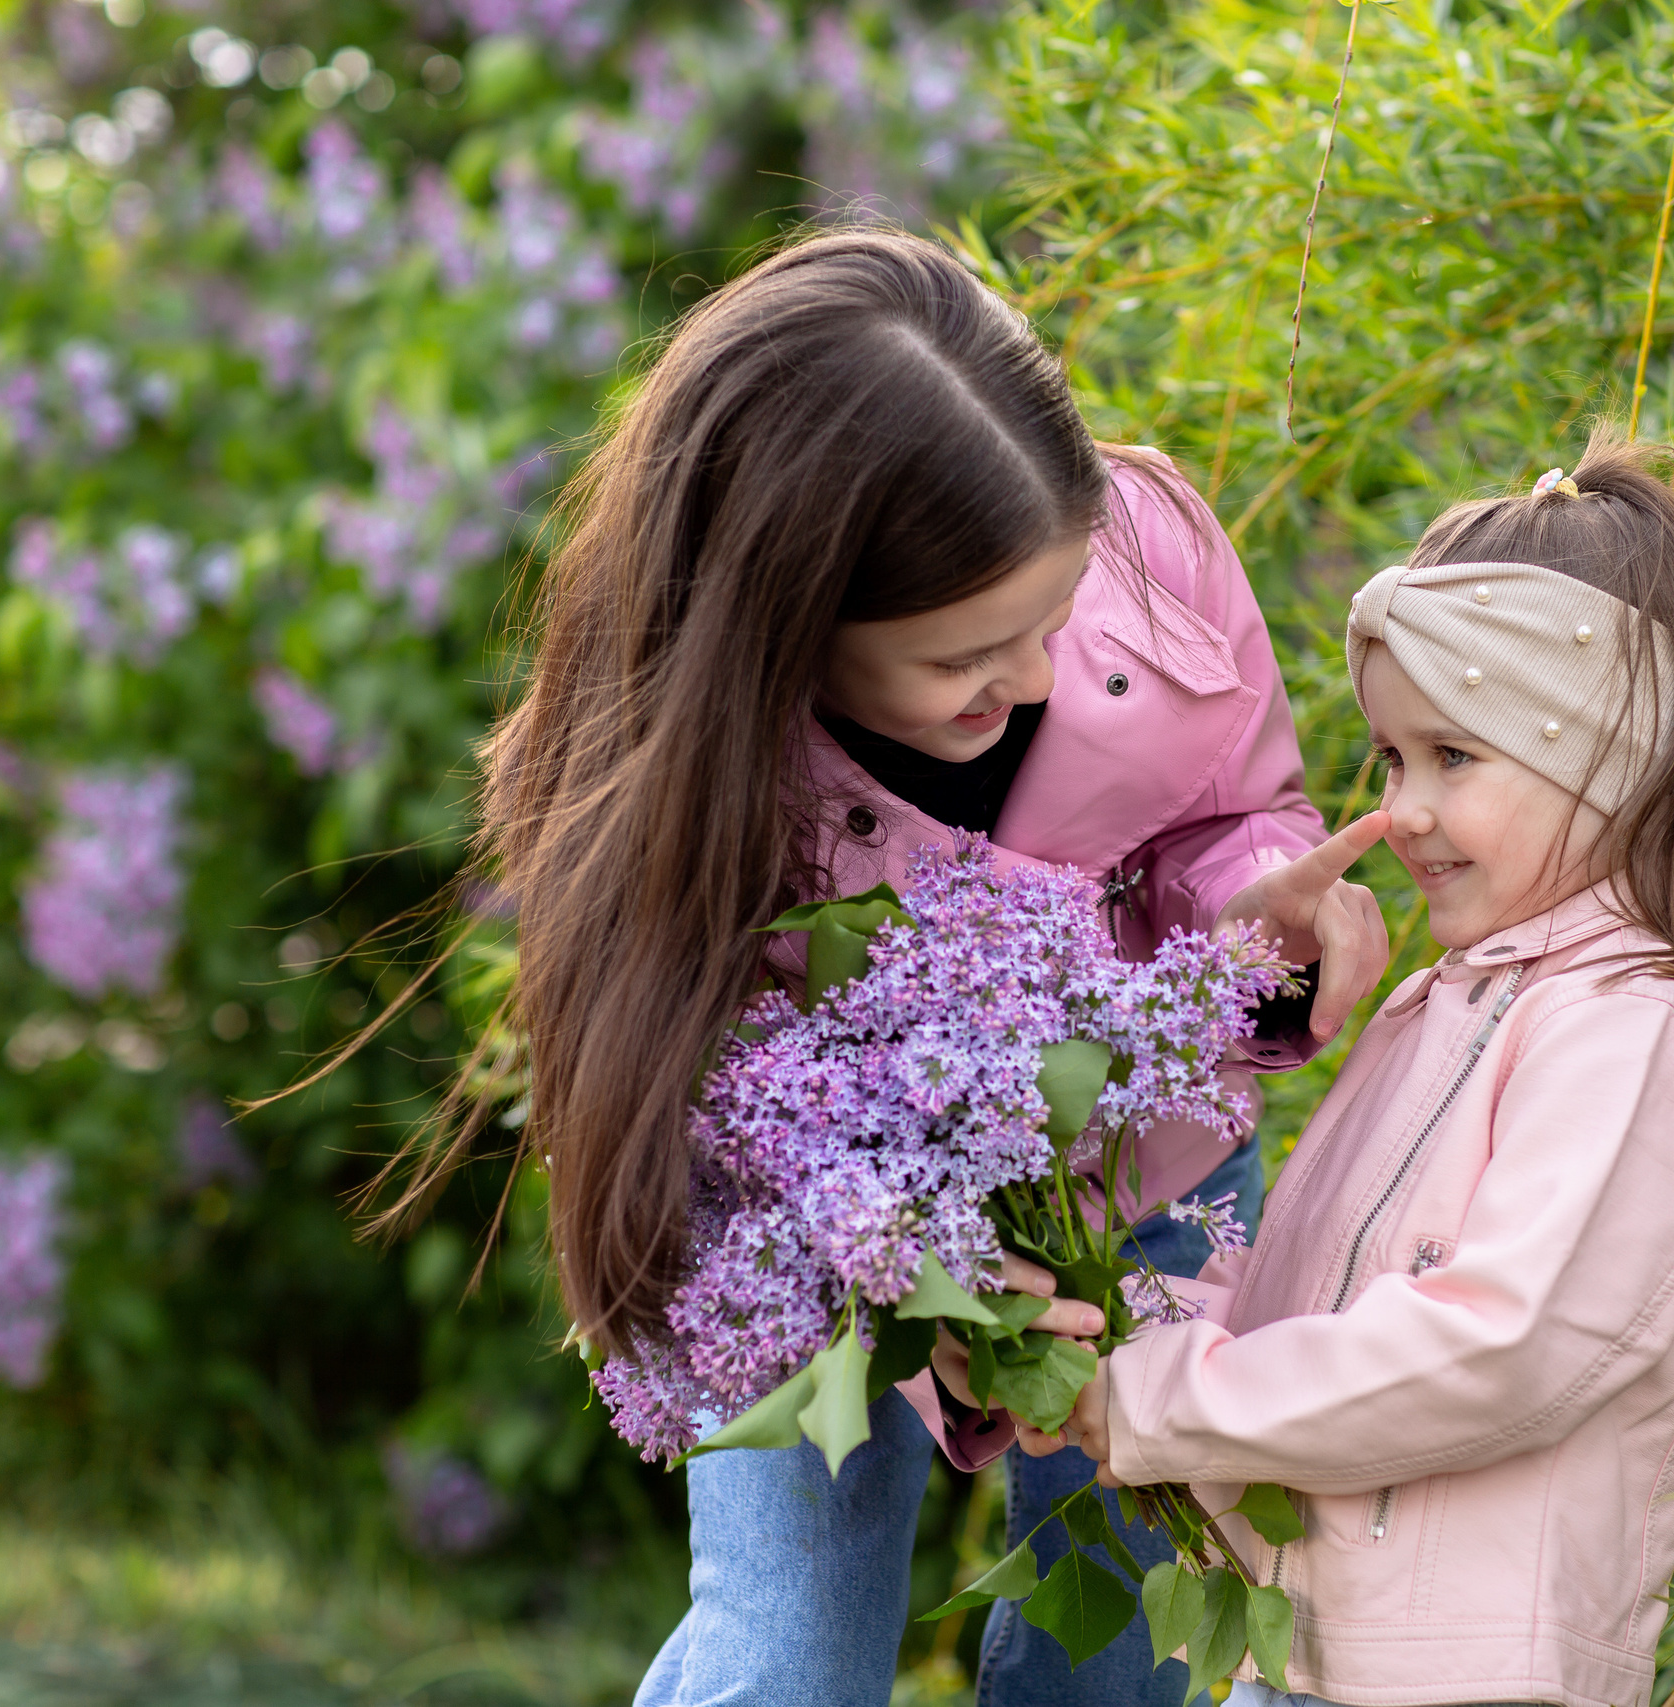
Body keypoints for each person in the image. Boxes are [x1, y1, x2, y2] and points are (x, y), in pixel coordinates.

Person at [466, 226, 1390, 1707]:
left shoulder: (1152, 543)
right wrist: (918, 1271)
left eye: (1053, 616)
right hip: (817, 1242)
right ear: (789, 619)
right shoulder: (675, 769)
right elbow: (683, 1084)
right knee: (787, 1664)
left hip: (1150, 1185)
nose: (1027, 677)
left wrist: (1261, 911)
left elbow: (1225, 813)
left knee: (1113, 1671)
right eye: (967, 652)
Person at [1034, 435, 1674, 1707]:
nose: (1403, 811)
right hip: (1323, 1656)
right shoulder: (1443, 1009)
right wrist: (1095, 1331)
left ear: (1623, 759)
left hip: (1476, 1677)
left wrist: (1161, 1395)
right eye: (1390, 760)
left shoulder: (1629, 1036)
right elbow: (1303, 1312)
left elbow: (1497, 1347)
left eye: (1455, 758)